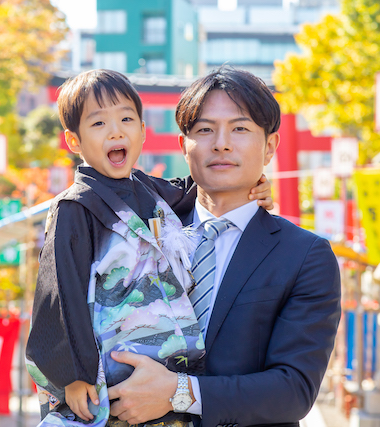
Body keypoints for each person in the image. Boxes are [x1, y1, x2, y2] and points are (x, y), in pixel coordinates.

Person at [25, 69, 273, 427]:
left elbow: (198, 188)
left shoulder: (149, 190)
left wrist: (253, 183)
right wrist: (71, 375)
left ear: (143, 131)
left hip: (166, 372)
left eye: (127, 119)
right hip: (109, 370)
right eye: (98, 124)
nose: (116, 131)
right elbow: (60, 292)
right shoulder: (75, 207)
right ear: (73, 141)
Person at [106, 66, 341, 427]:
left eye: (240, 128)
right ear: (183, 146)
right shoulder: (140, 233)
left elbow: (293, 390)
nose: (221, 143)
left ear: (270, 147)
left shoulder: (304, 256)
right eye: (204, 129)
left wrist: (178, 392)